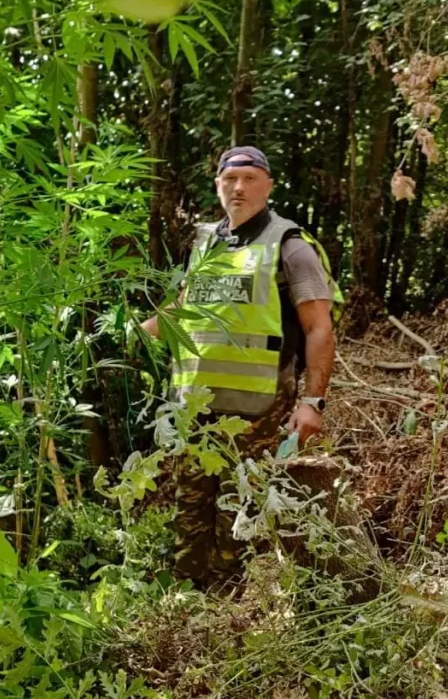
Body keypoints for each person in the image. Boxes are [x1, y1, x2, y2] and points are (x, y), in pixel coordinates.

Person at [141, 145, 339, 587]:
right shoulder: (206, 241)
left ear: (268, 185)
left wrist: (313, 401)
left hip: (258, 413)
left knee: (240, 519)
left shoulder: (290, 245)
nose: (239, 187)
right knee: (189, 513)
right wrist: (133, 334)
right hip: (197, 410)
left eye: (250, 179)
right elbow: (187, 307)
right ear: (218, 186)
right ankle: (186, 602)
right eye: (230, 179)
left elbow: (319, 327)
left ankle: (231, 616)